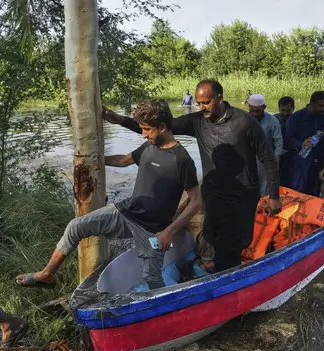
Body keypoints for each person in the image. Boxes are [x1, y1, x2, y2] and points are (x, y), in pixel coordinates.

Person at [16, 99, 201, 290]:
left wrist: (169, 231)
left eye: (147, 129)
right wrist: (93, 159)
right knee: (75, 226)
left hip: (153, 230)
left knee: (152, 278)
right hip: (126, 212)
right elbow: (124, 161)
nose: (144, 134)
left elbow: (195, 201)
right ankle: (47, 274)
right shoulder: (148, 147)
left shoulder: (182, 159)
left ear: (162, 127)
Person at [102, 79, 281, 272]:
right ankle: (219, 272)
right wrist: (118, 119)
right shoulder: (197, 122)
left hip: (241, 197)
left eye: (206, 102)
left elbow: (268, 158)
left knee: (233, 245)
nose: (201, 107)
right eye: (198, 103)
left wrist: (274, 196)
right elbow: (155, 126)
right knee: (213, 237)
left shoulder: (245, 122)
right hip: (212, 195)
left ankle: (227, 283)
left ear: (219, 98)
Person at [201, 144, 258, 271]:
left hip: (213, 232)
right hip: (231, 237)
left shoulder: (209, 179)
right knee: (229, 265)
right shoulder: (240, 190)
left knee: (221, 260)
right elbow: (247, 203)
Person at [284, 91, 324, 196]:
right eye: (321, 106)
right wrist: (301, 143)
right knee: (298, 191)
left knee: (315, 191)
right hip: (300, 161)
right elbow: (288, 140)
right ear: (312, 103)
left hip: (319, 159)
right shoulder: (296, 118)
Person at [247, 93, 284, 196]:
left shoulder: (272, 121)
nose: (254, 113)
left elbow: (278, 142)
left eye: (258, 111)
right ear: (249, 107)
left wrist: (276, 163)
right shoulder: (243, 119)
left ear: (264, 107)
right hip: (247, 159)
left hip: (266, 160)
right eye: (252, 110)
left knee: (264, 188)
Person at [273, 96, 295, 186]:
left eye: (288, 110)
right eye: (282, 110)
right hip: (277, 155)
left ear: (293, 109)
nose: (285, 113)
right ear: (279, 109)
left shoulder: (297, 120)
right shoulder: (273, 120)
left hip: (292, 156)